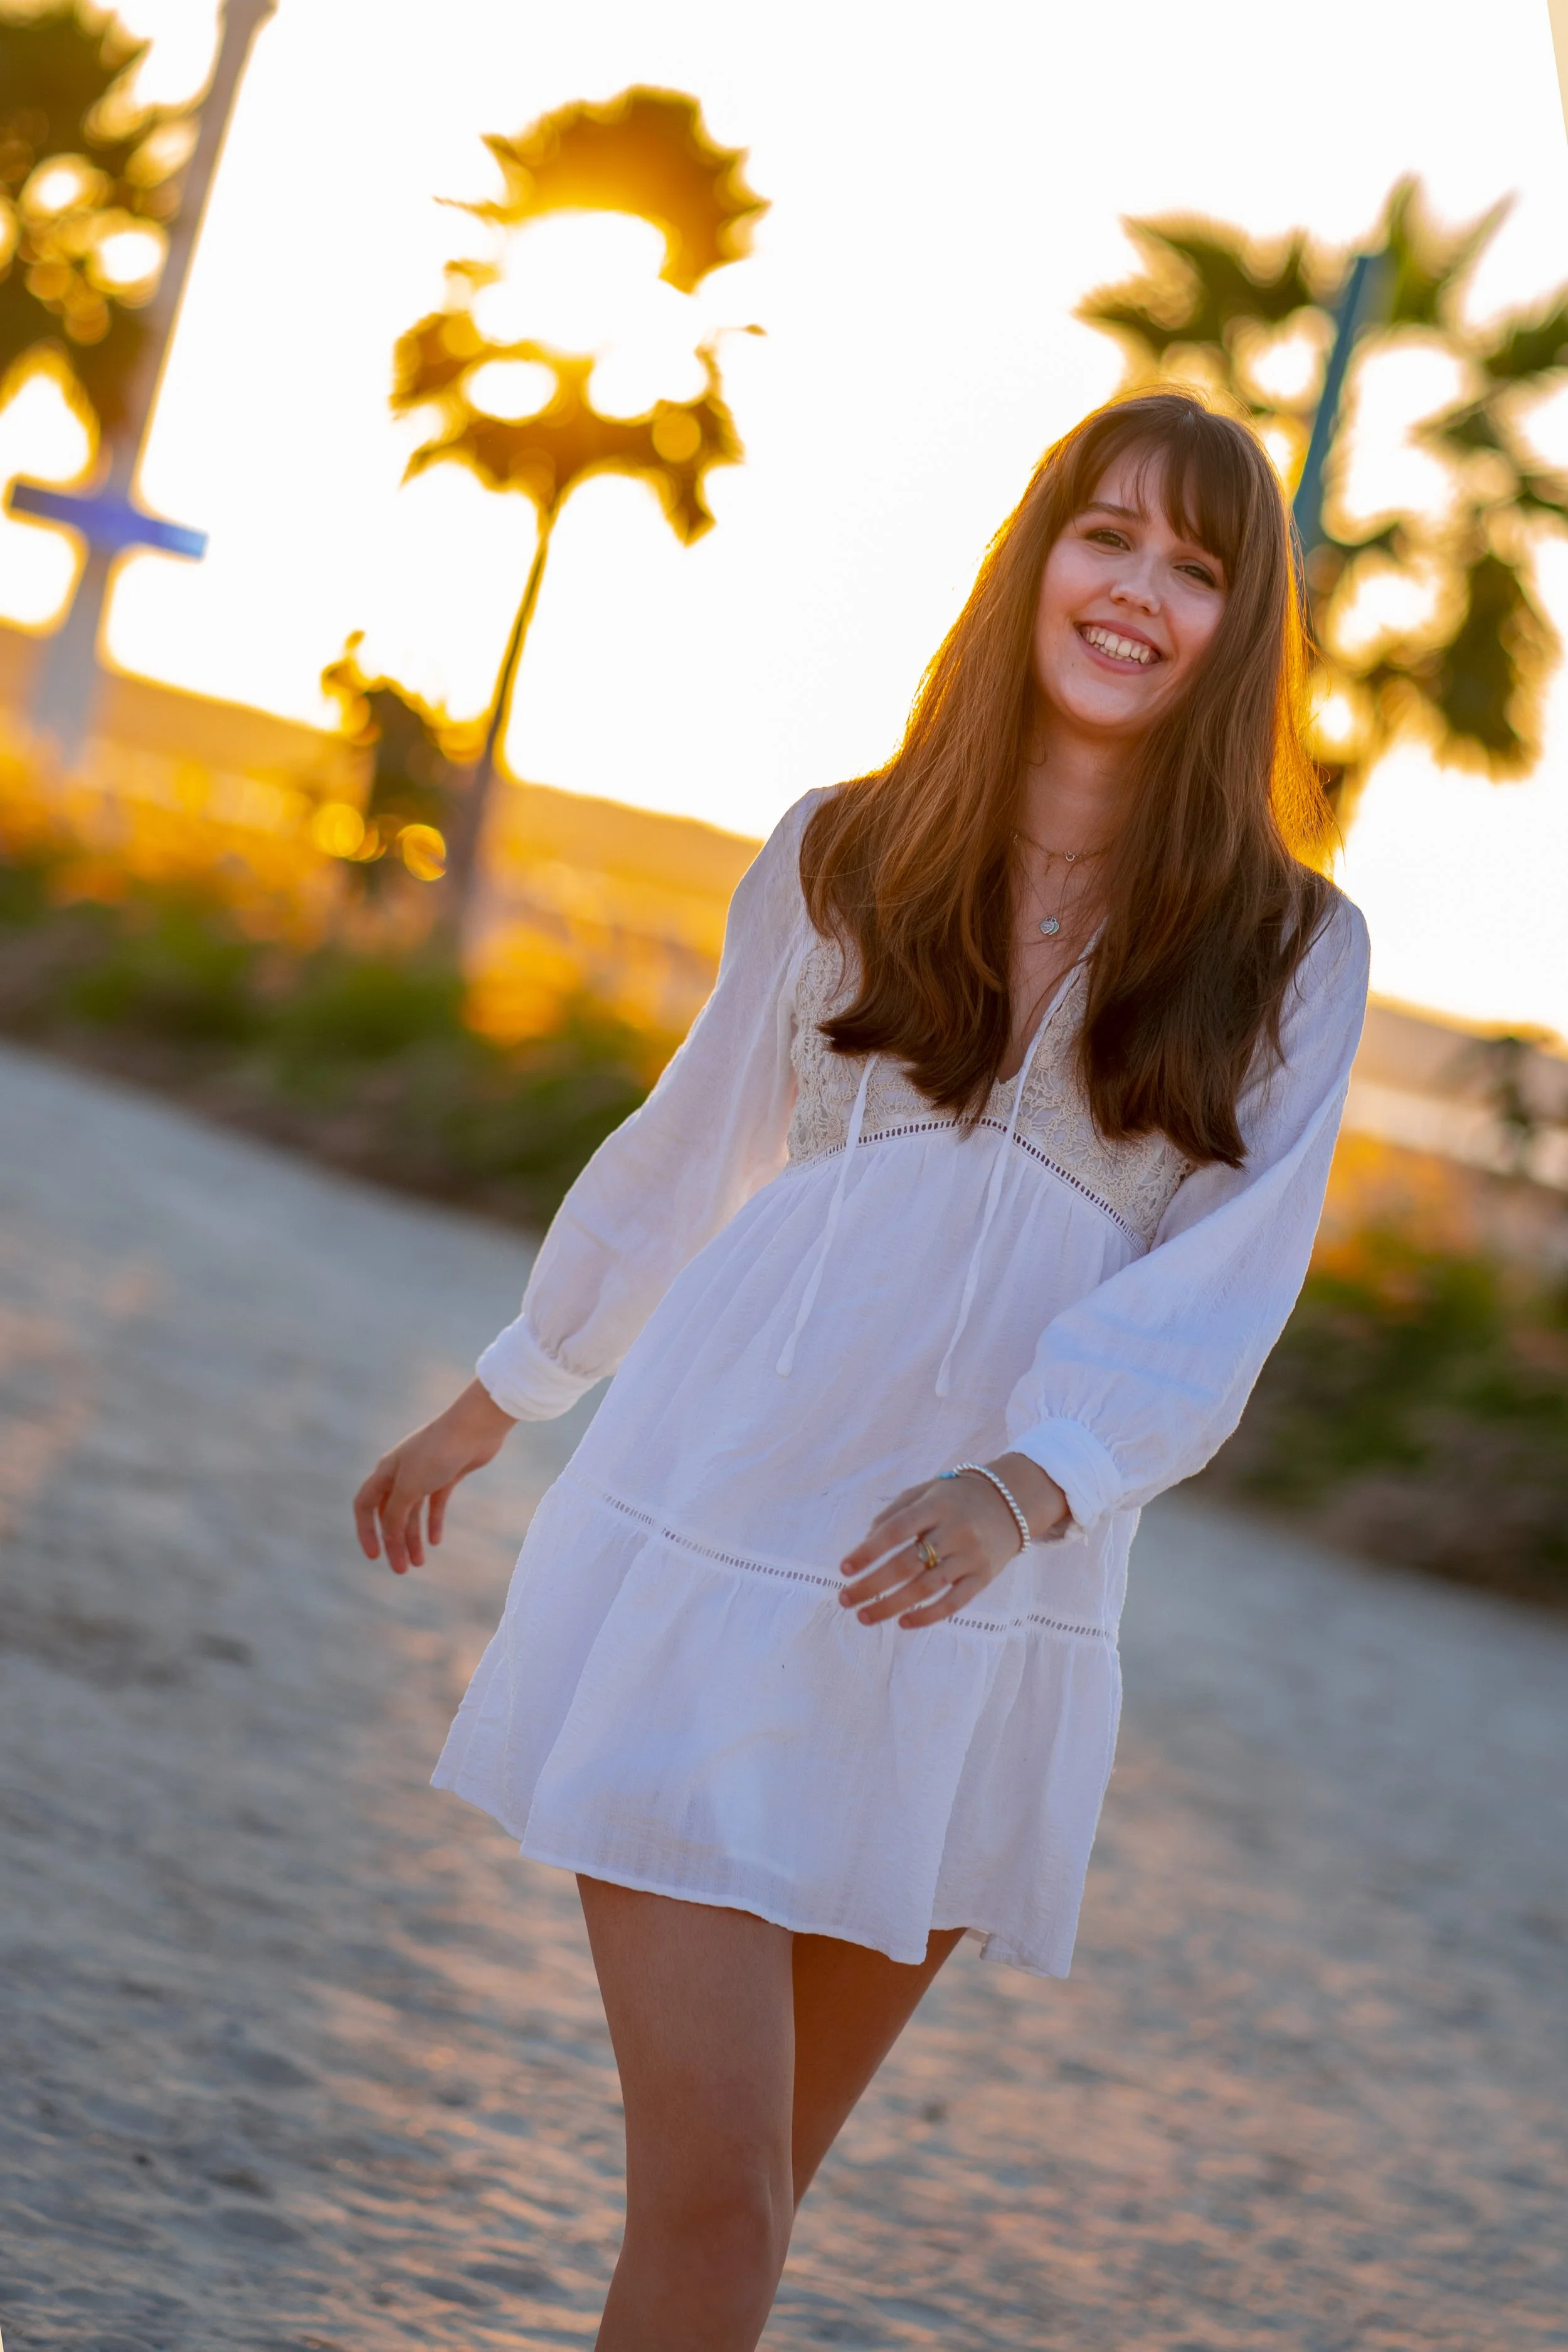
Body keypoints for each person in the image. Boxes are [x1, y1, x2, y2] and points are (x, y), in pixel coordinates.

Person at [354, 388, 1369, 2349]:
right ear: (1033, 558)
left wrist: (1023, 1480)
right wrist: (498, 1393)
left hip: (963, 1615)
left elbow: (1221, 1291)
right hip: (711, 1538)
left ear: (1239, 635)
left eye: (1197, 568)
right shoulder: (843, 846)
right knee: (719, 2200)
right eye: (1109, 537)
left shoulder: (1291, 946)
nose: (1138, 591)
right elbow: (682, 1153)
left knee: (745, 2220)